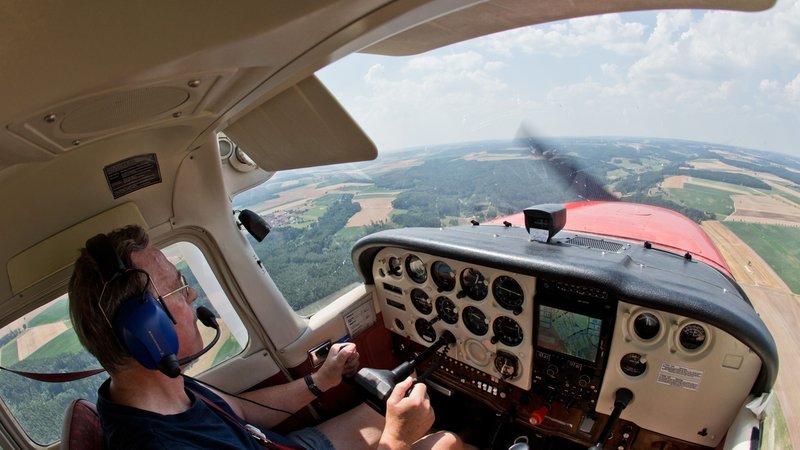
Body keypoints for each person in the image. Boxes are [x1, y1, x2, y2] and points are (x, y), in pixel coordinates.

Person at [69, 225, 470, 450]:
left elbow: (241, 412)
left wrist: (319, 381)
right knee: (447, 443)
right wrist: (396, 441)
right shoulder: (157, 445)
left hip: (280, 445)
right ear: (147, 329)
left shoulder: (154, 383)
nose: (191, 294)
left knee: (388, 400)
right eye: (177, 289)